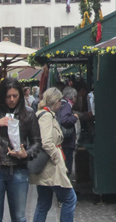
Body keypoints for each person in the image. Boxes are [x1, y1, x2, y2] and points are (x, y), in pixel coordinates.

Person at [0, 79, 41, 222]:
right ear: (2, 96)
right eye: (8, 96)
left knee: (19, 217)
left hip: (18, 169)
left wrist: (26, 154)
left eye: (15, 96)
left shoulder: (28, 113)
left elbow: (37, 142)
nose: (12, 100)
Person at [31, 87, 77, 222]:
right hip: (50, 167)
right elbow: (46, 141)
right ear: (57, 101)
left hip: (45, 167)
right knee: (70, 198)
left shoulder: (41, 114)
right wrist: (57, 158)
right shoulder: (46, 116)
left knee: (43, 203)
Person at [57, 87, 79, 176]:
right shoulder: (67, 105)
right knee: (67, 166)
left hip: (62, 141)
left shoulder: (61, 104)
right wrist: (75, 117)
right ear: (73, 97)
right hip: (67, 141)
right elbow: (64, 120)